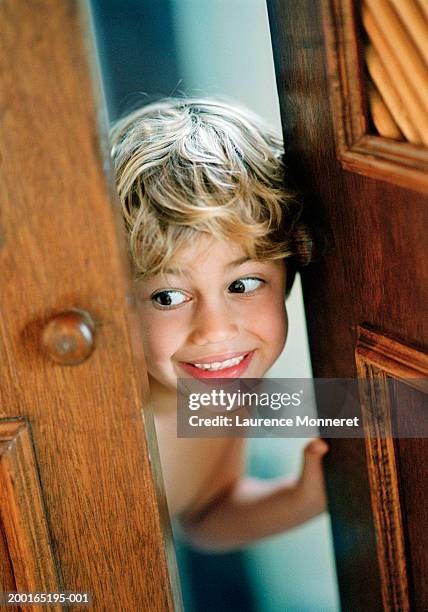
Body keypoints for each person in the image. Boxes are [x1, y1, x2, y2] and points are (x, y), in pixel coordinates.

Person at [109, 97, 329, 552]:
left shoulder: (225, 386)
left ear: (288, 273)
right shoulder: (96, 403)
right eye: (168, 297)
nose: (215, 330)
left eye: (243, 284)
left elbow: (205, 515)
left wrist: (302, 498)